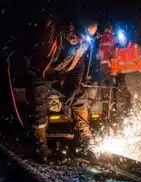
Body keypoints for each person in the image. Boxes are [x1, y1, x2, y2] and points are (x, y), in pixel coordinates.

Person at [26, 19, 98, 162]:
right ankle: (41, 146)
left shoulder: (82, 43)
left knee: (80, 96)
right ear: (73, 30)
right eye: (81, 36)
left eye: (85, 38)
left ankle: (86, 142)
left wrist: (71, 91)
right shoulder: (53, 36)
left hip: (59, 74)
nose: (81, 40)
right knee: (39, 104)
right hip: (40, 74)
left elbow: (79, 67)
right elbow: (37, 61)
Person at [109, 29, 141, 119]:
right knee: (121, 103)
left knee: (135, 102)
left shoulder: (136, 47)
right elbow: (114, 66)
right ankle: (121, 123)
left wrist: (139, 77)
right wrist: (113, 77)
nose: (120, 39)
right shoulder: (116, 50)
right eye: (118, 38)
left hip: (134, 77)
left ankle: (137, 122)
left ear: (127, 37)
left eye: (122, 37)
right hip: (122, 79)